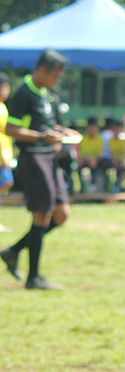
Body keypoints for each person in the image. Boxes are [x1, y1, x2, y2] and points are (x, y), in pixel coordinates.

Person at [0, 49, 78, 290]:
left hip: (50, 159)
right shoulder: (24, 94)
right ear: (42, 70)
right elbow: (11, 130)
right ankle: (34, 277)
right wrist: (42, 137)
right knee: (42, 215)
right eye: (55, 76)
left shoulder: (49, 94)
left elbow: (51, 124)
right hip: (33, 158)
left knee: (60, 214)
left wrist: (63, 134)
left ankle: (13, 250)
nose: (57, 81)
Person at [77, 117, 108, 192]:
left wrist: (92, 158)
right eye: (90, 127)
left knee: (93, 162)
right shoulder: (83, 138)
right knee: (79, 163)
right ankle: (82, 187)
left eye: (94, 127)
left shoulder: (100, 139)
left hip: (97, 161)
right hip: (85, 160)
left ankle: (94, 185)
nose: (92, 129)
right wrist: (87, 158)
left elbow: (100, 154)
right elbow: (81, 153)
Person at [0, 73, 13, 231]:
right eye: (4, 87)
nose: (7, 90)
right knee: (6, 182)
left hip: (5, 153)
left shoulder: (3, 107)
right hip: (1, 156)